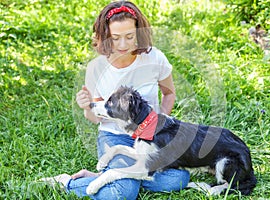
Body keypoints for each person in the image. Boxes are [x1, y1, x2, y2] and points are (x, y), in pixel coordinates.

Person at [41, 1, 190, 199]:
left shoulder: (155, 58)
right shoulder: (97, 68)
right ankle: (67, 182)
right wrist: (87, 107)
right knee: (124, 193)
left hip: (150, 137)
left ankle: (109, 176)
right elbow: (96, 118)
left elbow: (169, 93)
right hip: (114, 137)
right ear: (105, 36)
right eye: (115, 38)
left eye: (129, 36)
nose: (123, 45)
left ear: (139, 32)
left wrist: (158, 124)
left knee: (178, 179)